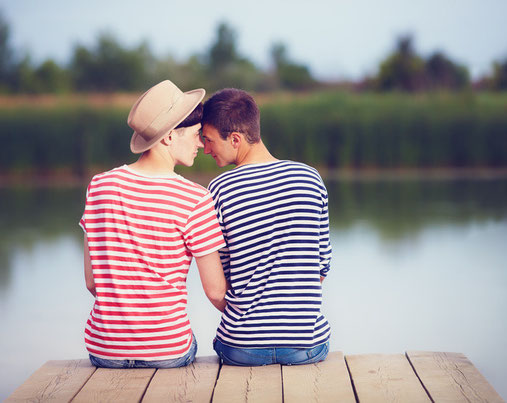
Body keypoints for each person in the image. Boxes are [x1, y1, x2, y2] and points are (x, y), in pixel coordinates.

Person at [79, 80, 227, 368]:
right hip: (167, 351)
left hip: (104, 351)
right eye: (197, 134)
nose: (201, 143)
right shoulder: (195, 199)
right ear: (170, 136)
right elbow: (215, 291)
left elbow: (92, 281)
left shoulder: (99, 186)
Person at [201, 88, 332, 366]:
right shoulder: (310, 178)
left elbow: (220, 282)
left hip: (241, 348)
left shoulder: (219, 190)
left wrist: (247, 319)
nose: (206, 149)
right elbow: (322, 265)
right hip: (306, 347)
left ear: (235, 139)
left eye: (209, 140)